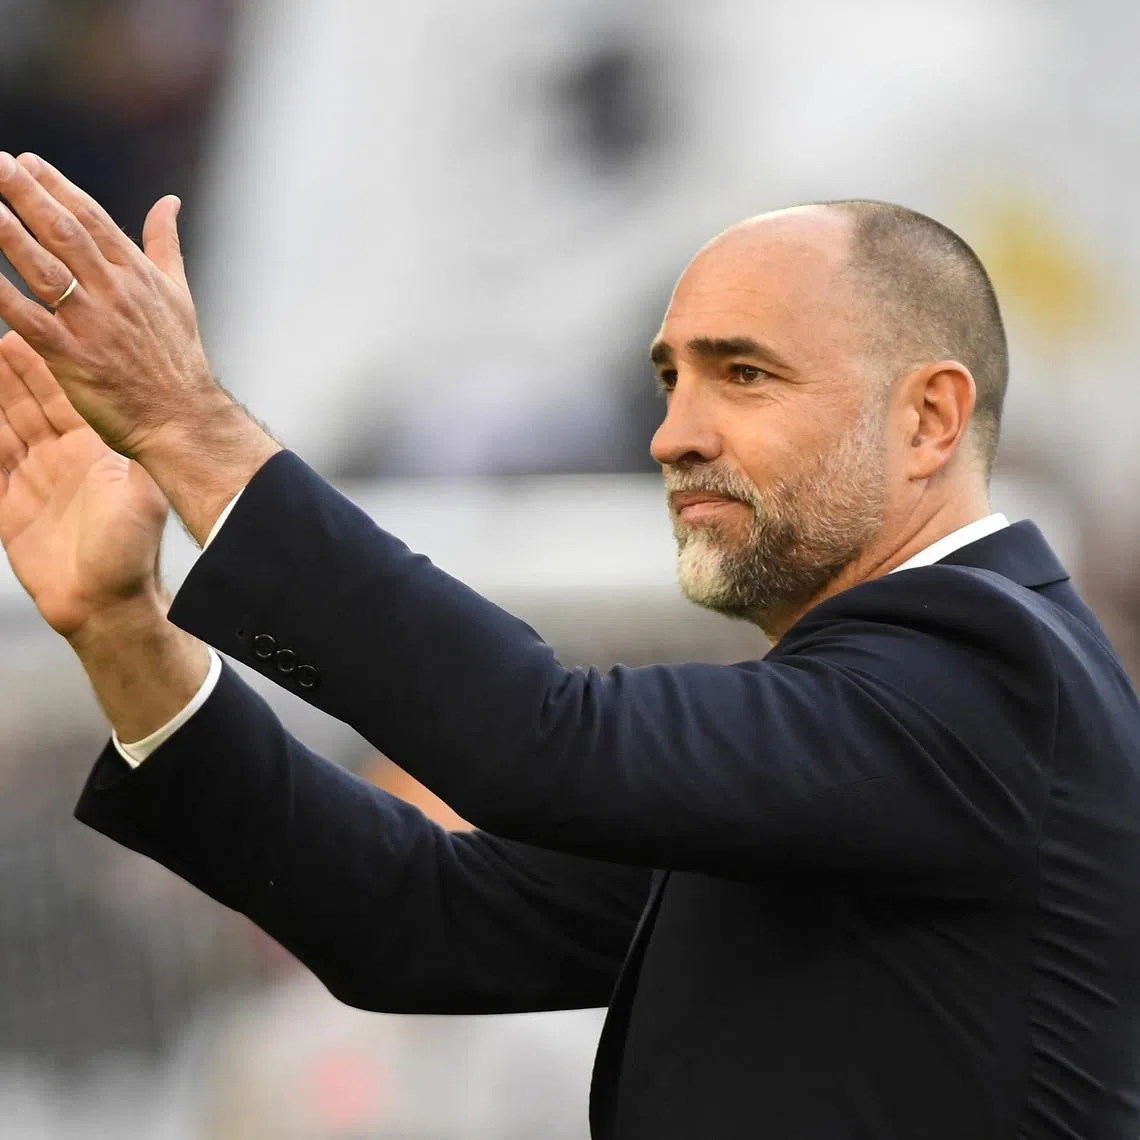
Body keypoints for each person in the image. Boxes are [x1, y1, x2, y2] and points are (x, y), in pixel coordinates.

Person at [0, 151, 1139, 1140]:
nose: (673, 435)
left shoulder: (994, 667)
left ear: (929, 418)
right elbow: (416, 919)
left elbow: (542, 743)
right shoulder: (872, 734)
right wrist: (122, 629)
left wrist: (190, 431)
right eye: (670, 379)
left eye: (744, 374)